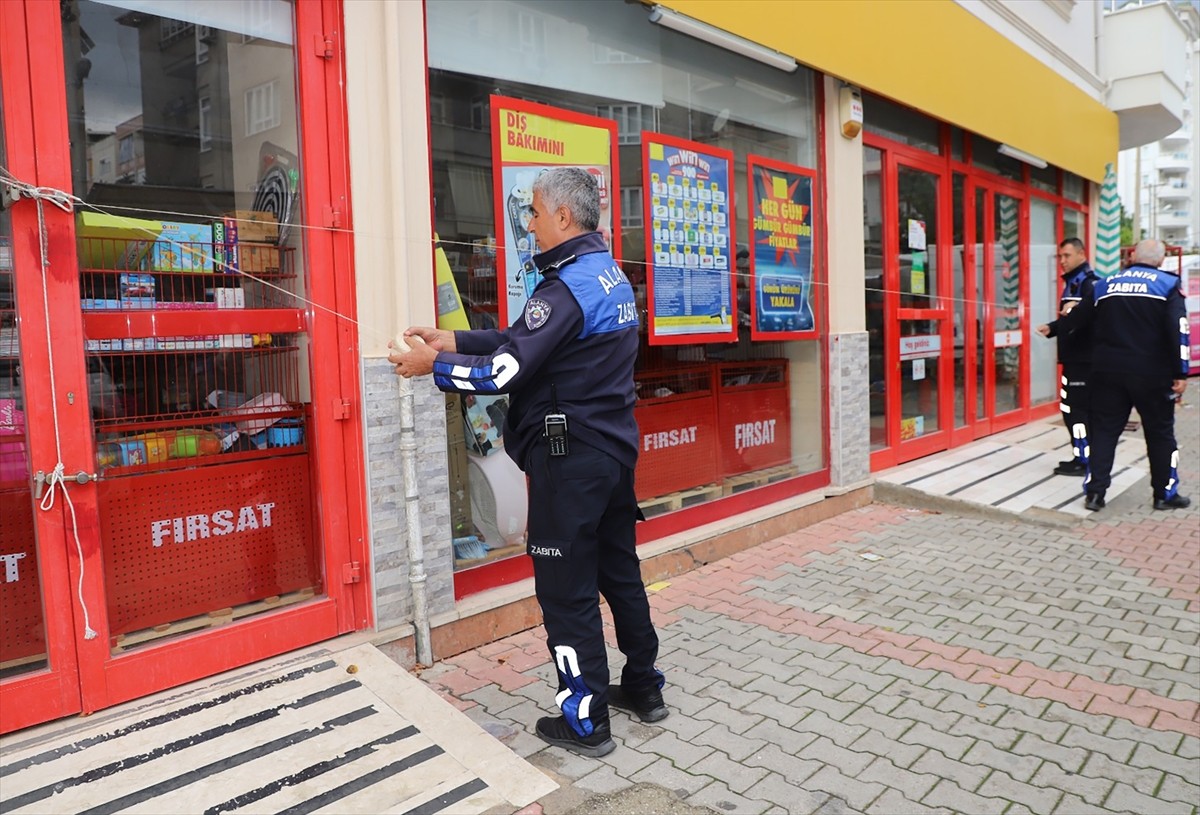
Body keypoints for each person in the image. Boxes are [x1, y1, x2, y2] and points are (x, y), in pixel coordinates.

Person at [389, 167, 666, 757]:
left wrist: (430, 369)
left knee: (565, 593)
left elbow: (505, 371)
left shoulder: (565, 286)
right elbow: (526, 340)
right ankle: (644, 689)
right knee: (620, 574)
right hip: (613, 453)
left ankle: (586, 722)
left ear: (564, 216)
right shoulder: (608, 275)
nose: (530, 223)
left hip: (571, 465)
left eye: (535, 212)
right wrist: (453, 340)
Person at [1054, 238, 1190, 512]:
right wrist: (1180, 371)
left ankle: (1095, 494)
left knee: (1104, 432)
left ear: (1131, 258)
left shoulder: (1105, 284)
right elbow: (1178, 329)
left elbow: (1078, 319)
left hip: (1107, 372)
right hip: (1152, 374)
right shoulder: (1167, 284)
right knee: (1160, 433)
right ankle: (1164, 495)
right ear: (1160, 261)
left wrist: (1056, 324)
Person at [1036, 238, 1099, 476]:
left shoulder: (1090, 283)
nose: (1062, 261)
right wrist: (1053, 328)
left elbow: (1091, 317)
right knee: (1072, 410)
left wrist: (1077, 308)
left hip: (1084, 362)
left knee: (1077, 411)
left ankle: (1084, 460)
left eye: (1067, 256)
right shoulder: (1074, 282)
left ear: (1082, 255)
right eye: (1060, 256)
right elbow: (1071, 319)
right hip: (1074, 361)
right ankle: (1081, 457)